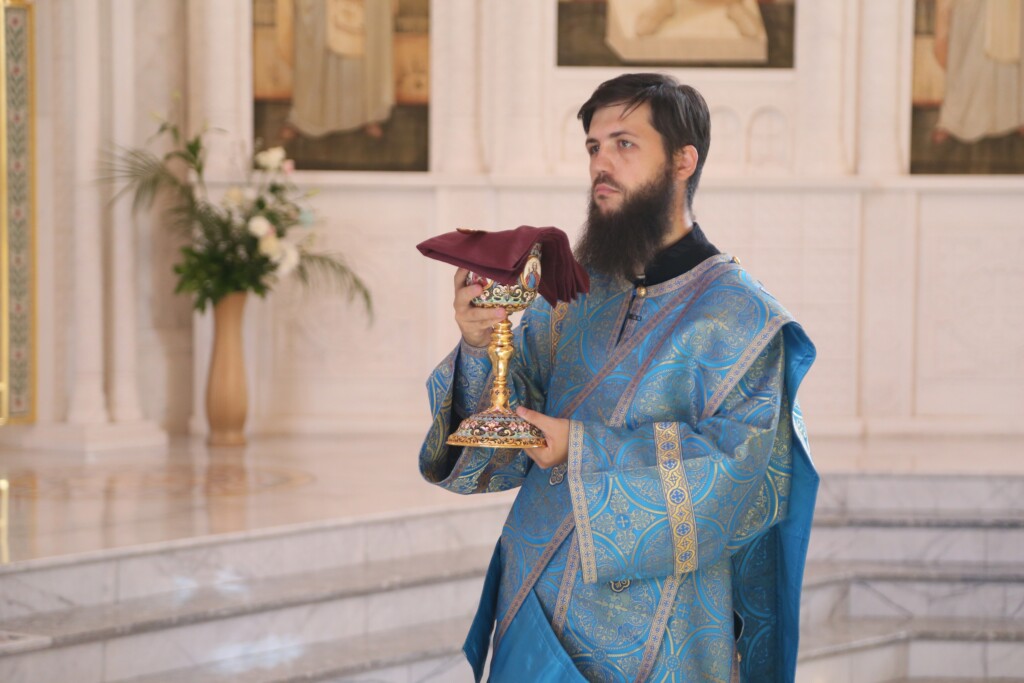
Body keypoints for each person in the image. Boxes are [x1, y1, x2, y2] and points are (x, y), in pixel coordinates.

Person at [418, 73, 817, 682]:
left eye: (624, 144)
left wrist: (580, 447)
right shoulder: (573, 292)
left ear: (683, 161)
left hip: (660, 636)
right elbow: (495, 452)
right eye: (593, 147)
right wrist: (479, 346)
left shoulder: (742, 316)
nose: (601, 164)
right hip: (535, 609)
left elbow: (738, 474)